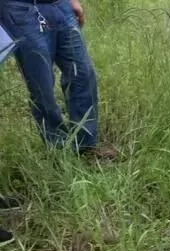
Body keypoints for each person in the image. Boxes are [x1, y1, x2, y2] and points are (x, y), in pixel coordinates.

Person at [0, 0, 117, 159]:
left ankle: (85, 146)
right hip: (19, 9)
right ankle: (58, 150)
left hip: (60, 5)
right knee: (42, 85)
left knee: (83, 74)